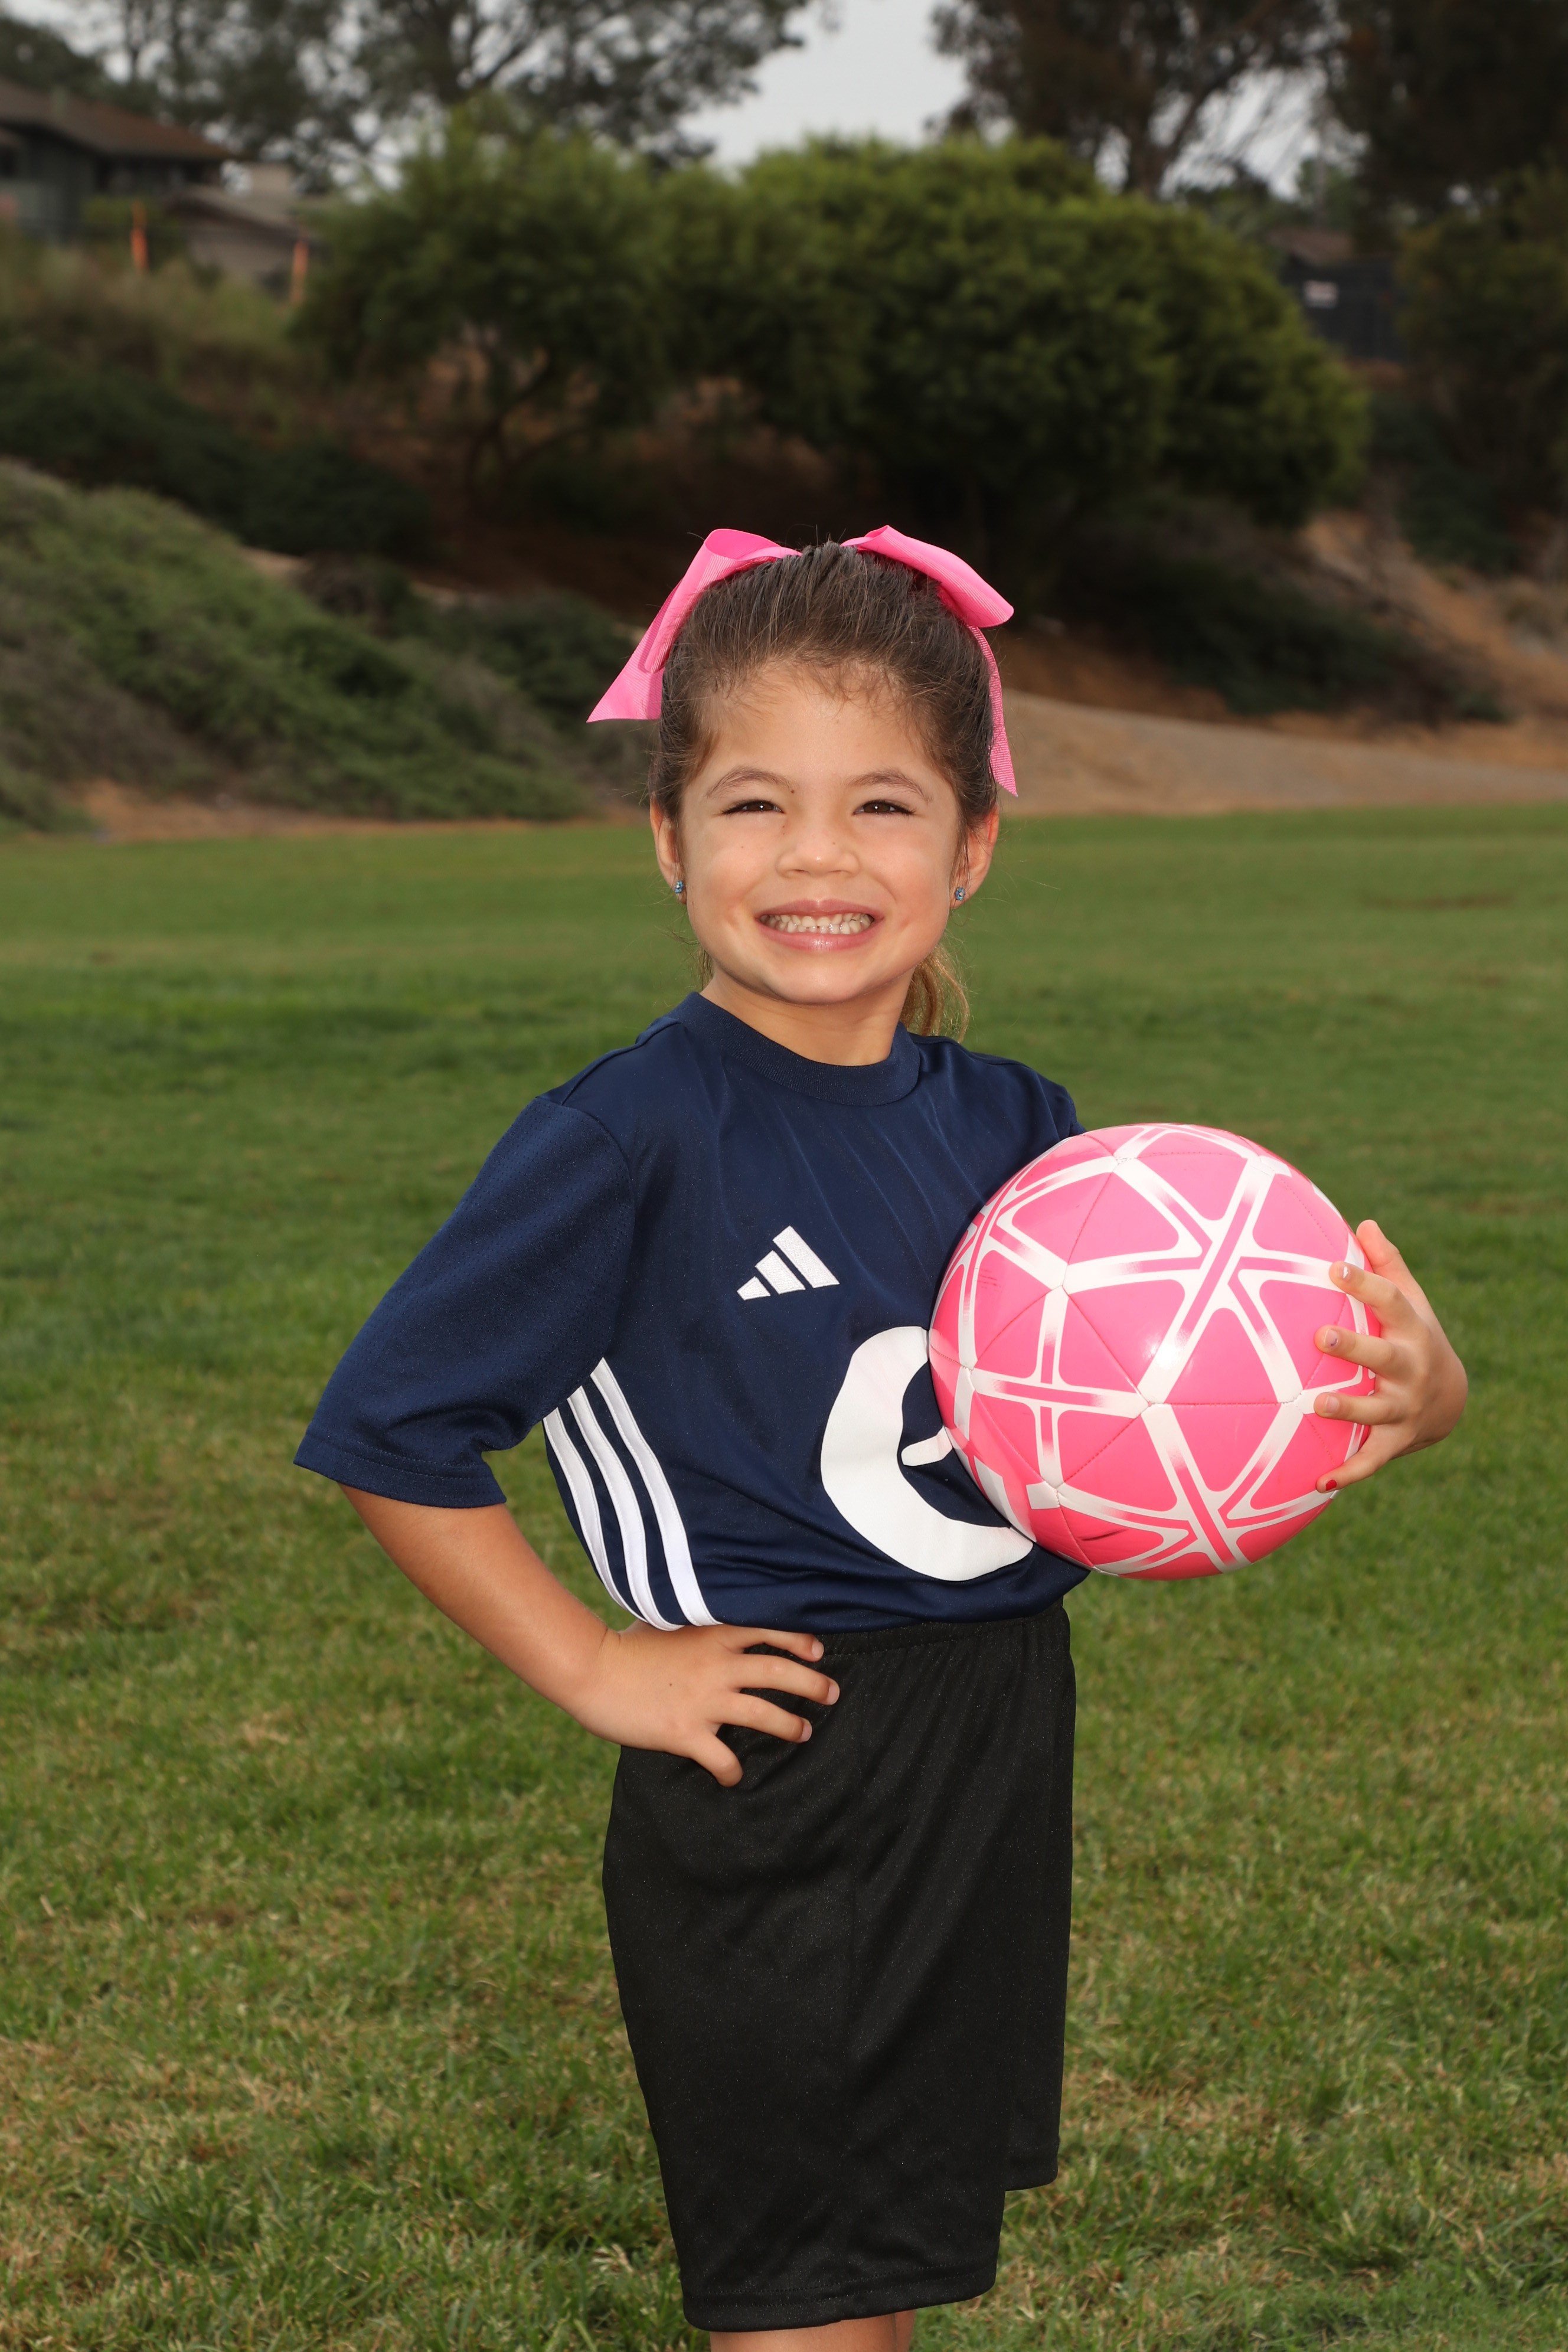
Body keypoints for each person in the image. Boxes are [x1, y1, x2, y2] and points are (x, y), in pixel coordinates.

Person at [295, 530, 1468, 2351]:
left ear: (972, 845)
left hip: (993, 1746)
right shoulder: (629, 1139)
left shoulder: (1025, 1133)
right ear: (668, 835)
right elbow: (393, 1429)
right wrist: (596, 1664)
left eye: (883, 806)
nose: (818, 858)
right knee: (806, 2303)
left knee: (881, 2275)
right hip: (787, 1770)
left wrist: (1411, 1389)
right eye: (755, 803)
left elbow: (1164, 1414)